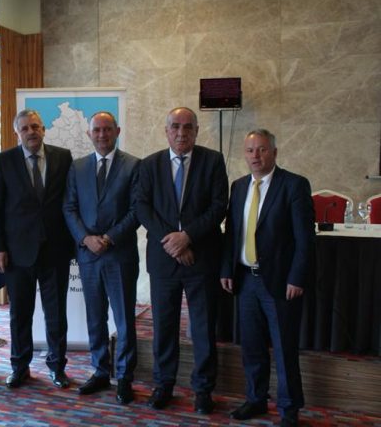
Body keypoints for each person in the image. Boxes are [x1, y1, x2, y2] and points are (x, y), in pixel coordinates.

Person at [135, 106, 228, 414]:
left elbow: (219, 206)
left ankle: (203, 390)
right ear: (166, 131)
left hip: (201, 257)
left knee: (202, 328)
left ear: (197, 131)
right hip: (164, 260)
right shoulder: (149, 164)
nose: (181, 132)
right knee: (164, 327)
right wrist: (173, 242)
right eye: (175, 126)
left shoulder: (213, 161)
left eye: (188, 127)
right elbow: (142, 207)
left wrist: (187, 236)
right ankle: (164, 385)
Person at [221, 129, 315, 427]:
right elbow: (232, 234)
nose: (256, 156)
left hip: (280, 282)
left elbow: (305, 239)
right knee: (251, 347)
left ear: (274, 152)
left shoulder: (294, 185)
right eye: (250, 150)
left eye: (262, 149)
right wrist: (226, 269)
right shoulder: (238, 187)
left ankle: (289, 409)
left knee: (284, 349)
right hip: (245, 280)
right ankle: (256, 399)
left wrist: (297, 277)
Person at [0, 109, 74, 389]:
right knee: (20, 314)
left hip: (55, 250)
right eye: (24, 128)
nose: (31, 132)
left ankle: (57, 367)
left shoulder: (63, 157)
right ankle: (19, 367)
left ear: (43, 129)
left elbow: (70, 202)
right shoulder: (3, 161)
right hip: (17, 253)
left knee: (56, 314)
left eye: (35, 126)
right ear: (17, 133)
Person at [63, 111, 140, 404]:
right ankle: (100, 371)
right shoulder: (77, 167)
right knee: (95, 317)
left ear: (117, 131)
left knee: (124, 319)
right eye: (96, 130)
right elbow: (69, 207)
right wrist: (85, 238)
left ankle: (125, 377)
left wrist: (107, 238)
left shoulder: (133, 165)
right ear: (89, 134)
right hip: (88, 255)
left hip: (119, 253)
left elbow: (136, 210)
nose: (102, 135)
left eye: (107, 129)